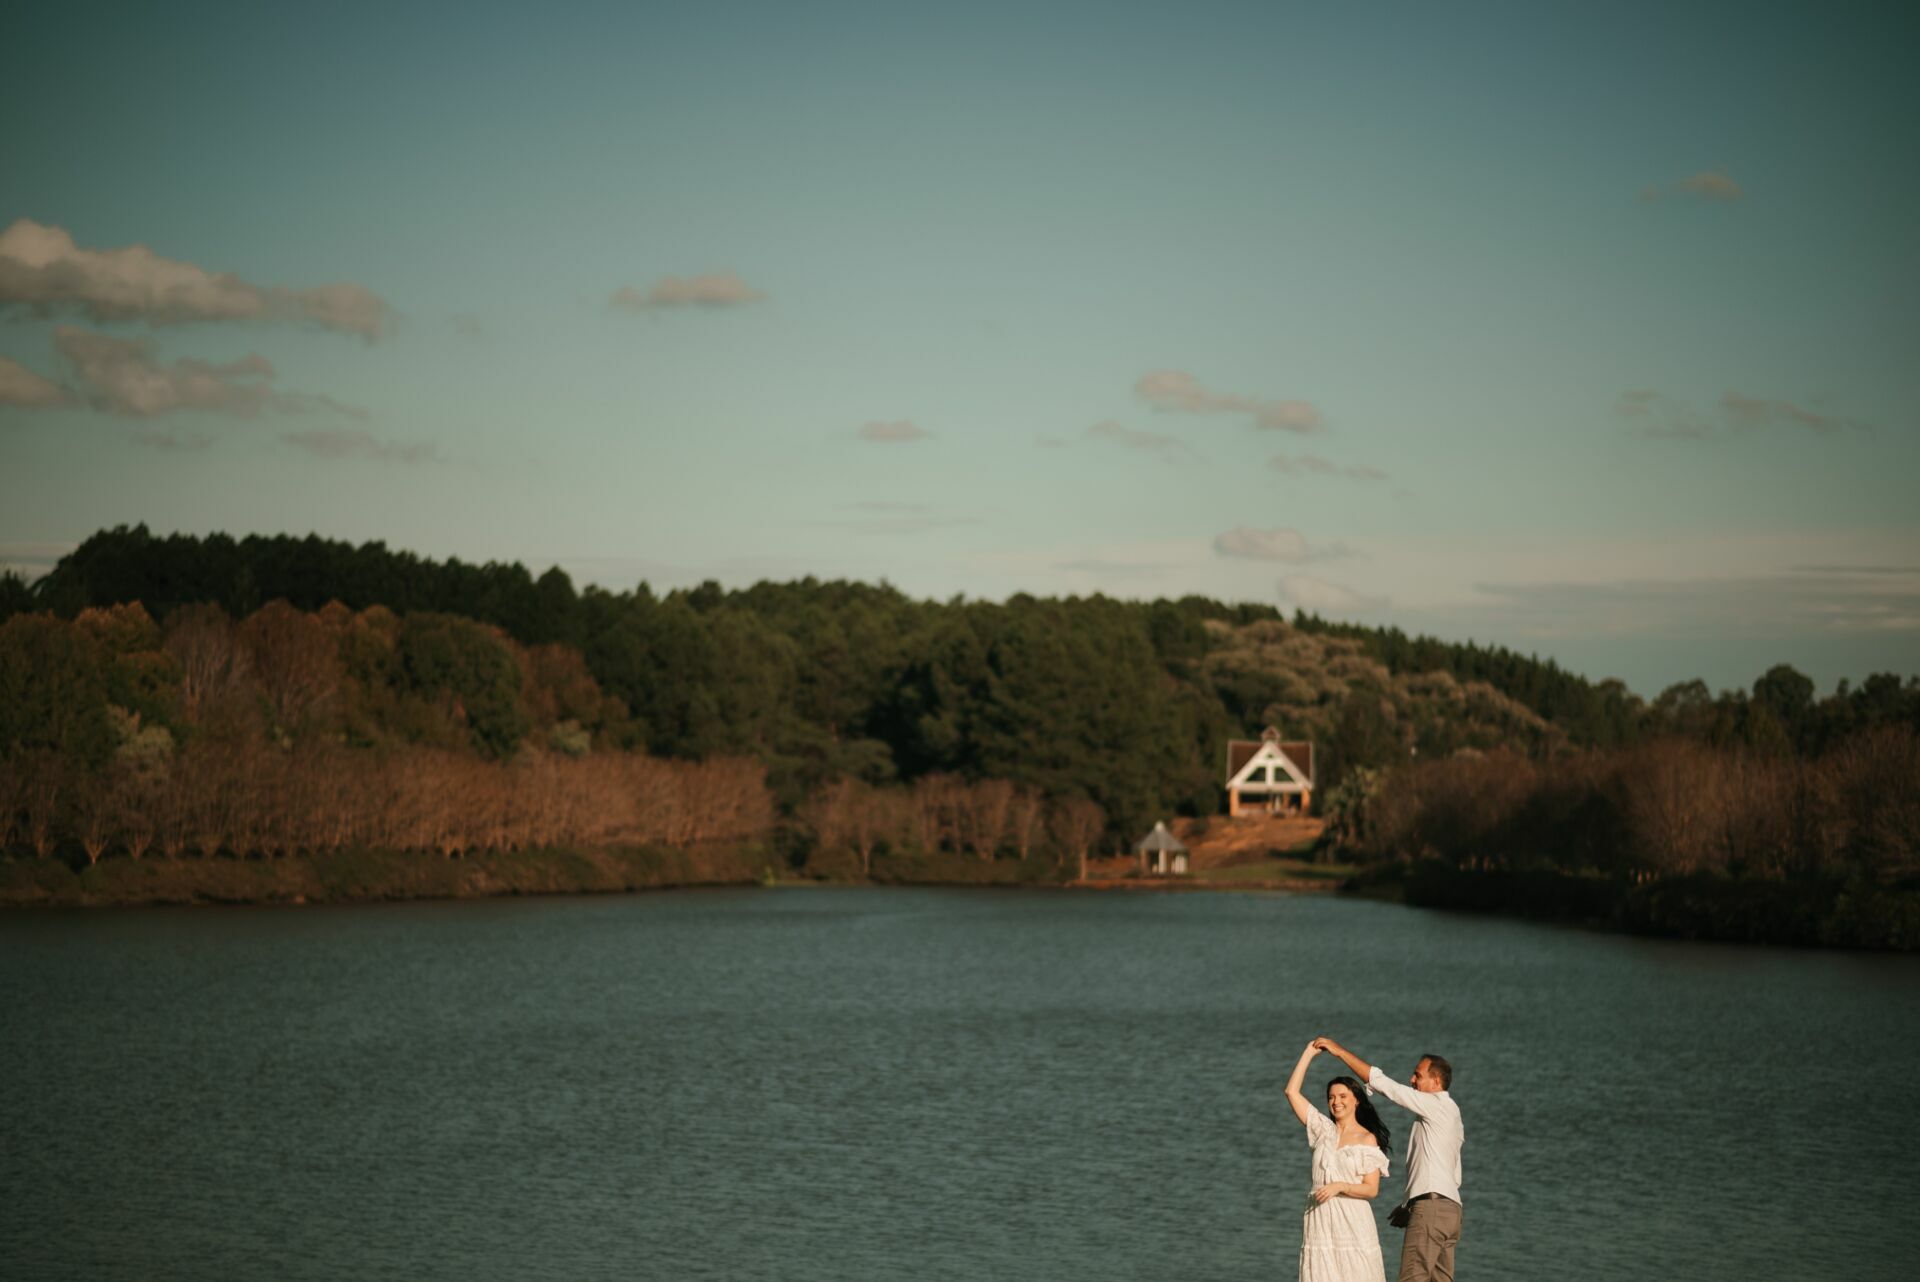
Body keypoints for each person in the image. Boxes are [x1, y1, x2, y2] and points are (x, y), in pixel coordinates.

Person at [1313, 1038, 1463, 1282]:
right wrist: (1411, 1205)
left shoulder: (1436, 1105)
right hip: (1450, 1211)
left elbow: (1386, 1087)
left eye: (1418, 1075)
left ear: (1436, 1082)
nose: (1412, 1080)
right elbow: (1450, 1173)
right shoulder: (1452, 1115)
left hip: (1432, 1210)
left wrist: (1340, 1052)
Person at [1284, 1041, 1392, 1282]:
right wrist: (1309, 1053)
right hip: (1319, 1221)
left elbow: (1371, 1189)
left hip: (1352, 1221)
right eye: (1331, 1097)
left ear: (1357, 1101)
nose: (1336, 1102)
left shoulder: (1367, 1138)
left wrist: (1340, 1186)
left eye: (1343, 1096)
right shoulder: (1323, 1130)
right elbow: (1291, 1092)